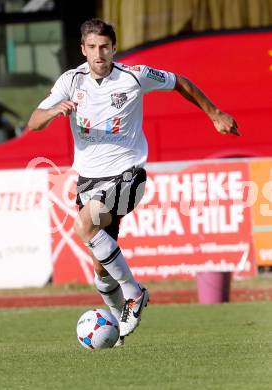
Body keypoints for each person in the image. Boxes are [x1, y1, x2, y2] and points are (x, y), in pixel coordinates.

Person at [27, 18, 239, 346]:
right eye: (92, 47)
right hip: (89, 181)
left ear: (113, 48)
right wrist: (55, 109)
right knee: (101, 268)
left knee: (84, 225)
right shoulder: (71, 81)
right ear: (83, 50)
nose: (99, 54)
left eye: (105, 47)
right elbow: (33, 121)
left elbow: (179, 82)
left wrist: (214, 113)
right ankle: (119, 329)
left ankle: (134, 293)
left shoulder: (133, 76)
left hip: (128, 174)